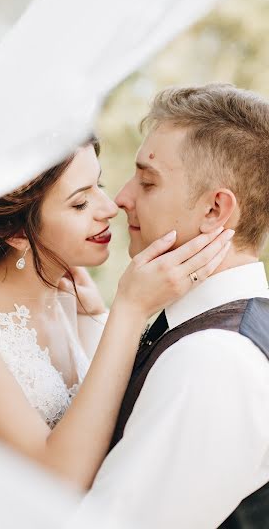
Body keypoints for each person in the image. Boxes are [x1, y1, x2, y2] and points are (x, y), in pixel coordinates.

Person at [0, 134, 231, 492]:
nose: (109, 207)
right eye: (80, 203)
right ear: (16, 231)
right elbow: (58, 480)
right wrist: (129, 311)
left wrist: (98, 318)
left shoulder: (72, 298)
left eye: (98, 185)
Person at [84, 83, 269, 528]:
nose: (120, 199)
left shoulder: (212, 359)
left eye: (148, 181)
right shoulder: (214, 331)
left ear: (214, 210)